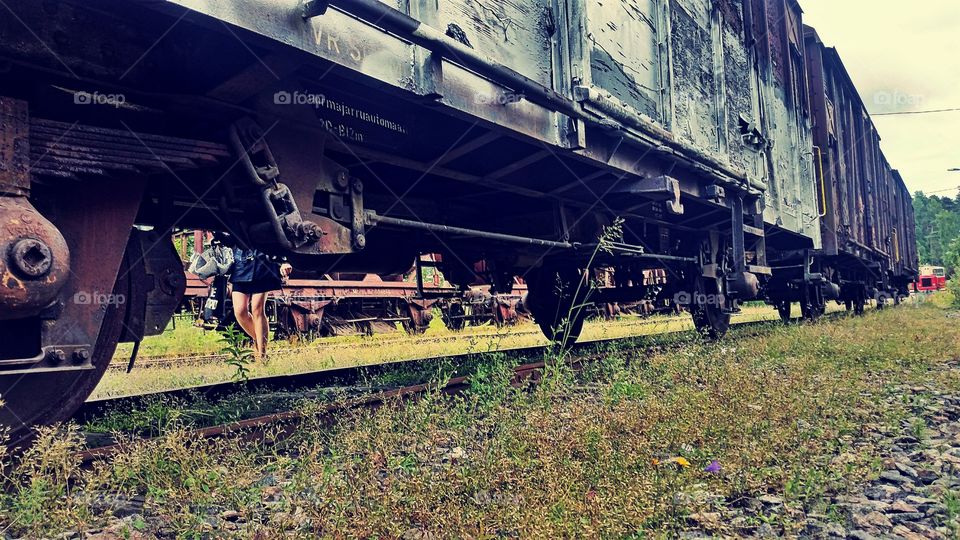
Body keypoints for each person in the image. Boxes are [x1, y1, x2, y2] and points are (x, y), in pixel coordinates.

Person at [229, 246, 292, 360]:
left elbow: (278, 238)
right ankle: (259, 339)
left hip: (263, 265)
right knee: (239, 311)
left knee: (257, 309)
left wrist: (284, 261)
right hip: (240, 264)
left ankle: (261, 356)